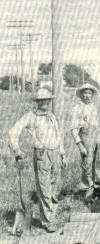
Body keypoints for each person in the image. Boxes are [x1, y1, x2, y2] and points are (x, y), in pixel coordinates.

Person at [8, 86, 66, 233]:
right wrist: (17, 150)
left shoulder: (52, 116)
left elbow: (59, 136)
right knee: (44, 187)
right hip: (41, 154)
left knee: (56, 186)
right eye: (41, 101)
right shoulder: (30, 116)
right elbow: (13, 132)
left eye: (46, 100)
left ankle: (51, 214)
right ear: (37, 102)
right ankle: (48, 221)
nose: (44, 103)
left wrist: (62, 153)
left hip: (55, 154)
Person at [71, 83, 100, 202]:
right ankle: (87, 192)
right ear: (81, 95)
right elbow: (73, 129)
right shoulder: (77, 109)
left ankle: (99, 189)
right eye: (85, 93)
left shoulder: (94, 108)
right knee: (87, 163)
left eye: (89, 93)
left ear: (92, 95)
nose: (87, 96)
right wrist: (80, 144)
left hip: (96, 137)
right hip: (86, 137)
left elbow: (99, 126)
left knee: (98, 163)